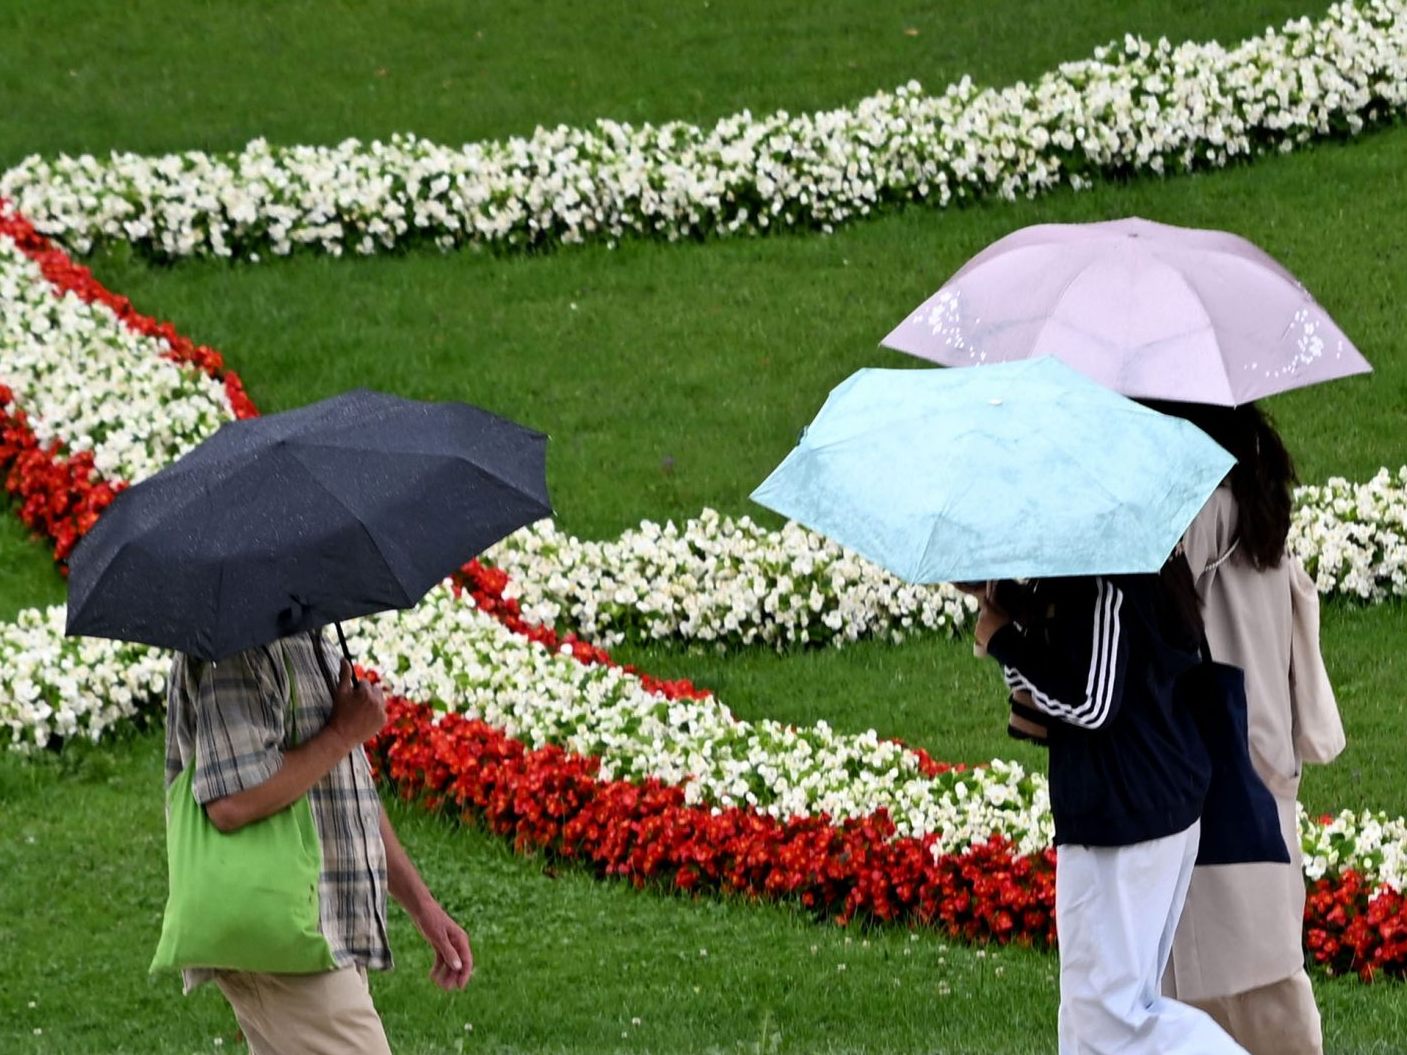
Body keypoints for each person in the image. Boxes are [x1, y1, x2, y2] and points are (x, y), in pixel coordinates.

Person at [967, 566, 1248, 1054]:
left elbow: (1091, 703)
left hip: (1126, 818)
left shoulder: (1106, 583)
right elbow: (1055, 682)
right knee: (1095, 1009)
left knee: (1109, 1017)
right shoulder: (1128, 572)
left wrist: (1005, 641)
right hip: (1148, 805)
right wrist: (1008, 616)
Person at [164, 628, 473, 1055]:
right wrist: (342, 734)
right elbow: (231, 802)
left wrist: (423, 905)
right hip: (281, 936)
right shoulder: (234, 650)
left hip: (315, 930)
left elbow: (346, 785)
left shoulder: (308, 638)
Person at [1150, 402, 1345, 1055]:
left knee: (1222, 988)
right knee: (1263, 979)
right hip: (1262, 753)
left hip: (1218, 758)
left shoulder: (1199, 507)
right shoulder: (1256, 497)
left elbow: (1159, 621)